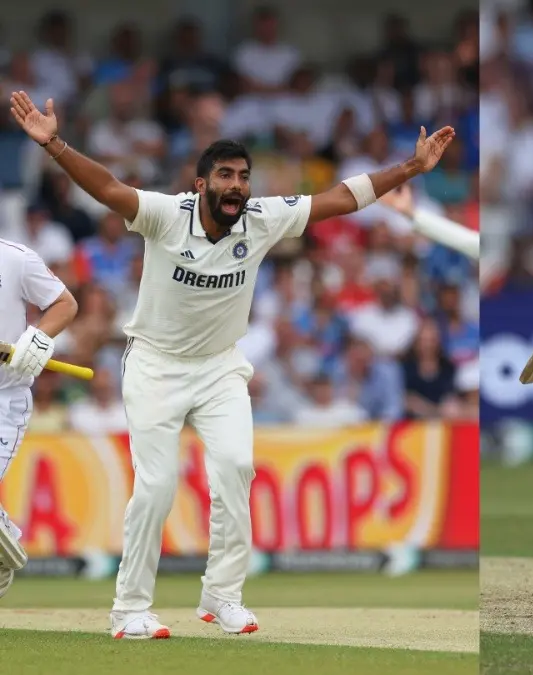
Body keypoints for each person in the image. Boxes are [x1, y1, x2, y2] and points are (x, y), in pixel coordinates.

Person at [8, 90, 454, 638]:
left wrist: (412, 166)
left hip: (220, 367)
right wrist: (53, 143)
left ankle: (221, 596)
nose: (237, 185)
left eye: (243, 176)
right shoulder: (168, 216)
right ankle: (129, 608)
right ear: (201, 185)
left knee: (237, 469)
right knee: (156, 487)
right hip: (155, 364)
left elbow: (341, 198)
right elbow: (108, 188)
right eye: (224, 175)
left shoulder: (262, 219)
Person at [0, 238, 79, 600]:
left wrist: (36, 338)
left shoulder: (15, 258)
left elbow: (64, 304)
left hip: (4, 398)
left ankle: (5, 551)